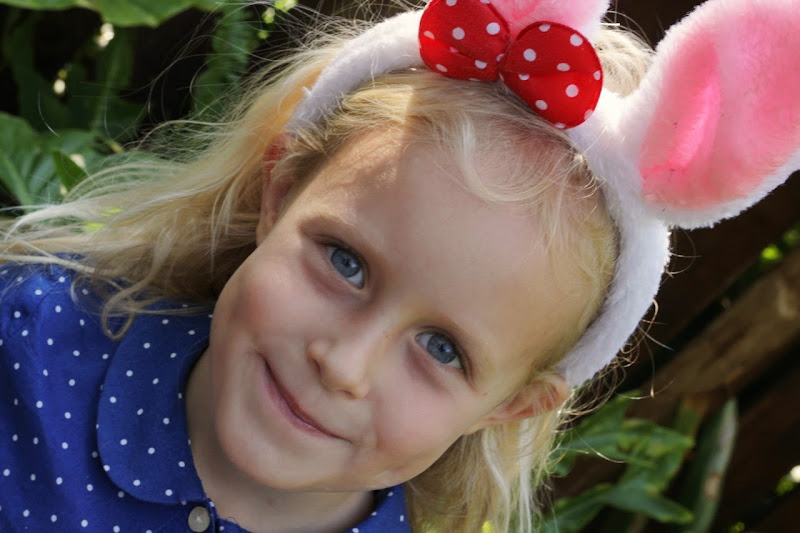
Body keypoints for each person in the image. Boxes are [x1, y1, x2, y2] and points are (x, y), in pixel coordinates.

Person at [1, 0, 798, 531]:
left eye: (443, 349)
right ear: (280, 191)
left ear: (511, 404)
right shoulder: (26, 344)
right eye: (345, 263)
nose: (345, 364)